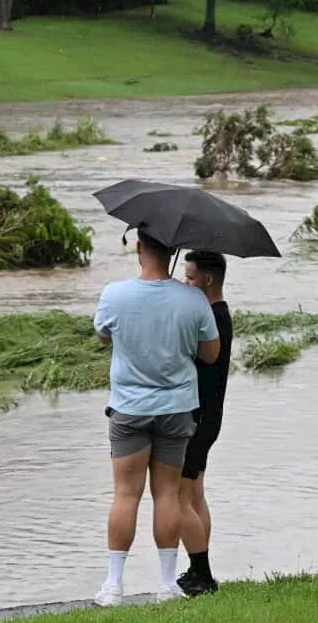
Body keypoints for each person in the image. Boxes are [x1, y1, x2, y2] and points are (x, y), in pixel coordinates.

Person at [92, 231, 220, 606]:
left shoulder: (114, 294)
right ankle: (167, 585)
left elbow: (101, 336)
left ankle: (114, 586)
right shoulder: (193, 298)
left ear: (138, 249)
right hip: (177, 409)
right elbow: (210, 354)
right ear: (173, 252)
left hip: (129, 408)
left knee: (125, 494)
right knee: (167, 494)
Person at [176, 250, 233, 596]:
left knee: (180, 496)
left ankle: (202, 573)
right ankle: (199, 567)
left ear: (208, 280)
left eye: (190, 277)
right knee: (194, 493)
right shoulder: (218, 314)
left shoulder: (211, 318)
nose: (186, 283)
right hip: (210, 417)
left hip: (197, 418)